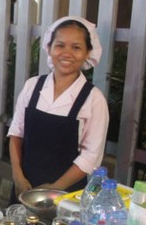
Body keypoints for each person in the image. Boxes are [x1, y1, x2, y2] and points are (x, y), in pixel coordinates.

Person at [7, 16, 109, 203]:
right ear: (50, 48)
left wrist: (53, 189)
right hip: (24, 186)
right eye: (60, 45)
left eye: (76, 47)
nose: (67, 53)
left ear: (88, 53)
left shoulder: (94, 99)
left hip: (66, 195)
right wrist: (17, 176)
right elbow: (16, 133)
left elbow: (90, 157)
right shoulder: (32, 87)